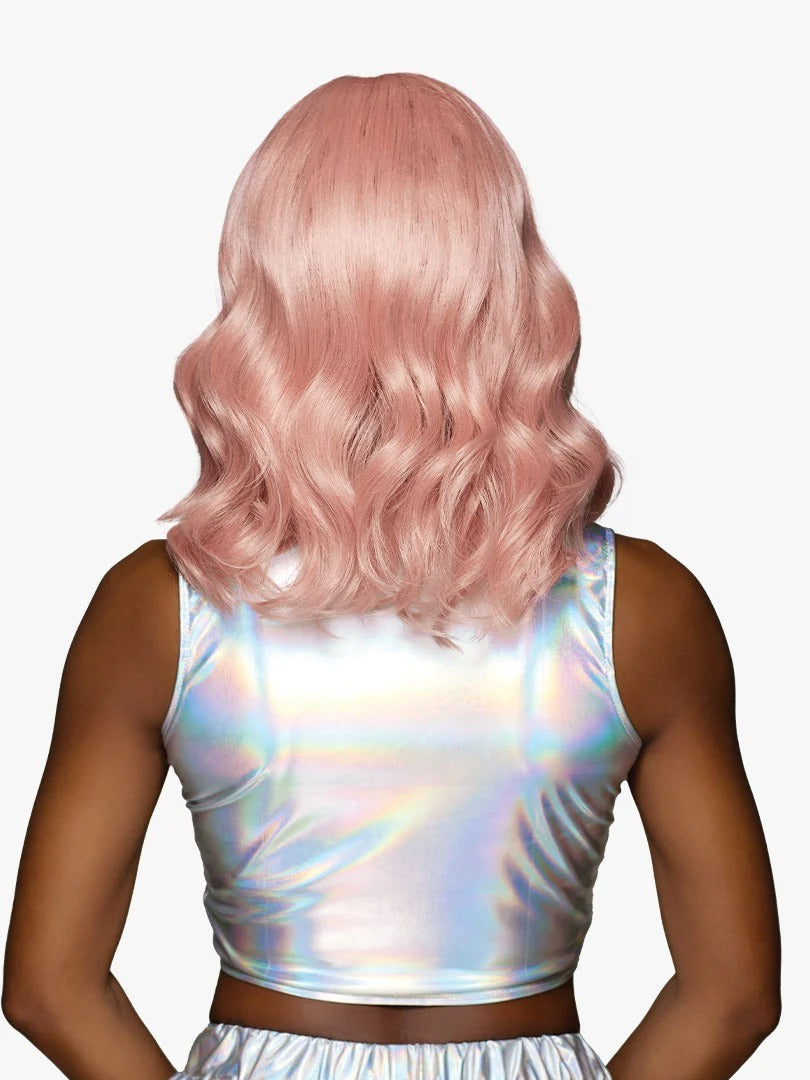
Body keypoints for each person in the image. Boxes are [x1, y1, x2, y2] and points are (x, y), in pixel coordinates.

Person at [2, 72, 780, 1080]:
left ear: (267, 287)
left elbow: (48, 983)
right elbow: (734, 991)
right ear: (509, 284)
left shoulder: (161, 606)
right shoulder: (642, 609)